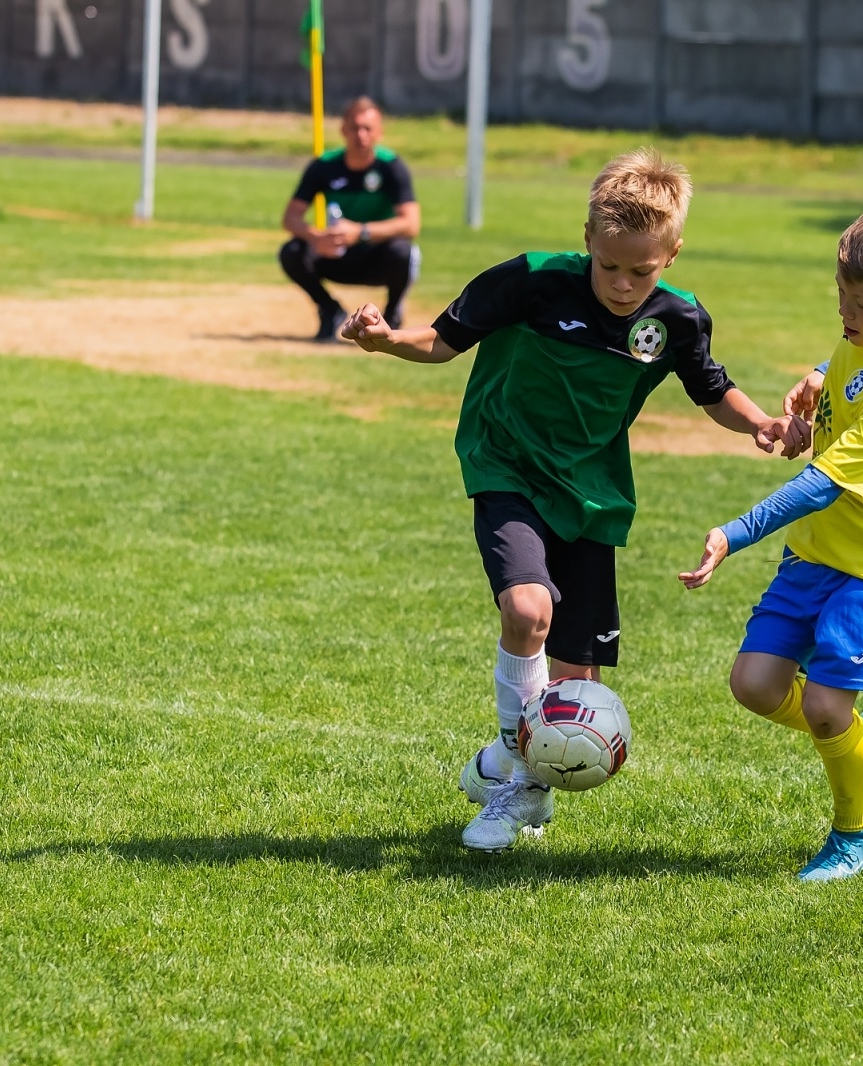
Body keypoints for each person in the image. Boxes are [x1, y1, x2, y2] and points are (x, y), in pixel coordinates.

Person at [343, 149, 809, 853]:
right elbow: (443, 342)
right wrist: (385, 341)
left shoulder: (677, 321)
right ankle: (516, 773)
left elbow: (711, 387)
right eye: (611, 266)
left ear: (672, 254)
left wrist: (762, 423)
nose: (623, 285)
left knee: (576, 689)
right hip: (505, 464)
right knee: (529, 609)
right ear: (588, 238)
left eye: (642, 271)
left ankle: (506, 765)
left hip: (591, 495)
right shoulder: (532, 282)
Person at [680, 202, 863, 882]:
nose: (844, 314)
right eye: (840, 296)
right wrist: (818, 382)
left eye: (857, 303)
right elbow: (856, 370)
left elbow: (822, 485)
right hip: (817, 553)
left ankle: (855, 837)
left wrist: (732, 534)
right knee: (756, 684)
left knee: (828, 706)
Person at [279, 97, 421, 342]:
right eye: (355, 128)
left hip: (377, 256)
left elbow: (411, 224)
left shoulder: (391, 167)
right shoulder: (324, 166)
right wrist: (316, 236)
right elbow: (291, 217)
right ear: (343, 130)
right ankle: (329, 309)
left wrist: (361, 232)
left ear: (379, 132)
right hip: (338, 254)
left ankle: (392, 314)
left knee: (403, 252)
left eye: (368, 129)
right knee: (292, 251)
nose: (361, 135)